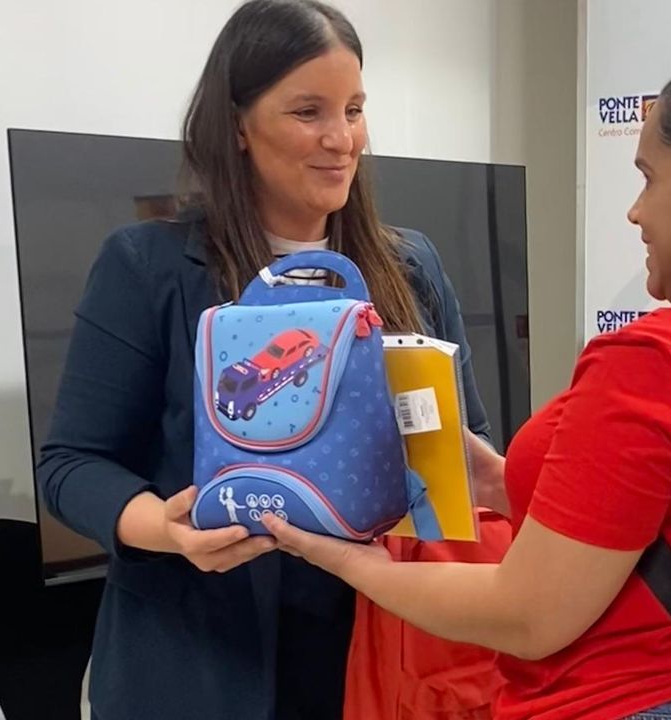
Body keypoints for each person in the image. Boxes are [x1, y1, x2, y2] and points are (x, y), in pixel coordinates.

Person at [267, 46, 671, 720]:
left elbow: (527, 615)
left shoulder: (661, 363)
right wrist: (489, 479)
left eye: (648, 179)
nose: (635, 213)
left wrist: (352, 562)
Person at [36, 1, 491, 718]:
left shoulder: (410, 264)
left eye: (354, 110)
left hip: (378, 648)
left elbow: (465, 449)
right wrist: (166, 529)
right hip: (198, 659)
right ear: (238, 126)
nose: (341, 139)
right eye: (308, 112)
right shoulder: (149, 265)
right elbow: (70, 465)